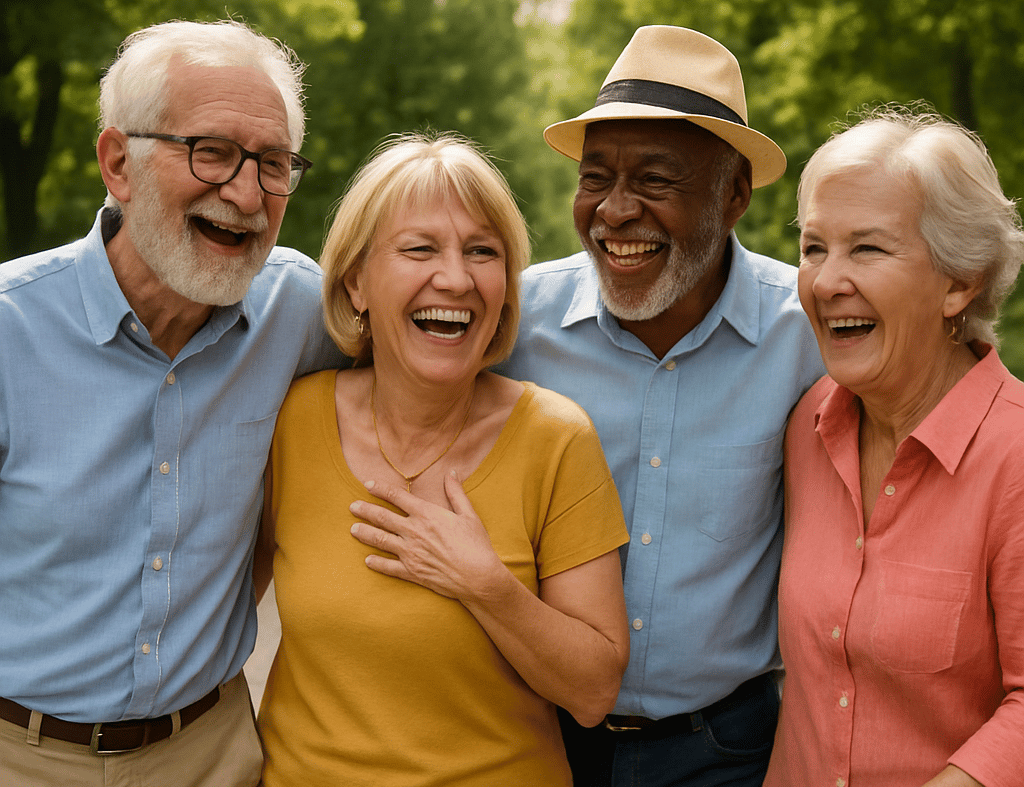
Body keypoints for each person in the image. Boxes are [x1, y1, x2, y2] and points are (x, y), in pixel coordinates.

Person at [0, 19, 342, 787]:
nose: (247, 193)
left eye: (274, 163)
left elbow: (449, 334)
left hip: (213, 753)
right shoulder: (8, 330)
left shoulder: (304, 314)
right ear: (118, 162)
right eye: (212, 152)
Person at [497, 25, 826, 787]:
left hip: (726, 749)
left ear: (734, 193)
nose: (614, 211)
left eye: (655, 180)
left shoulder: (804, 334)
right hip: (531, 734)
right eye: (596, 177)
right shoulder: (515, 323)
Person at [253, 132, 630, 787]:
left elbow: (594, 691)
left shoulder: (555, 437)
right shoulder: (289, 421)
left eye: (482, 251)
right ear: (357, 283)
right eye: (420, 248)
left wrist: (484, 583)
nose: (455, 278)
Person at [764, 106, 1024, 787]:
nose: (825, 282)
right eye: (814, 247)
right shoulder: (807, 426)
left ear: (960, 281)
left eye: (867, 249)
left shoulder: (1015, 456)